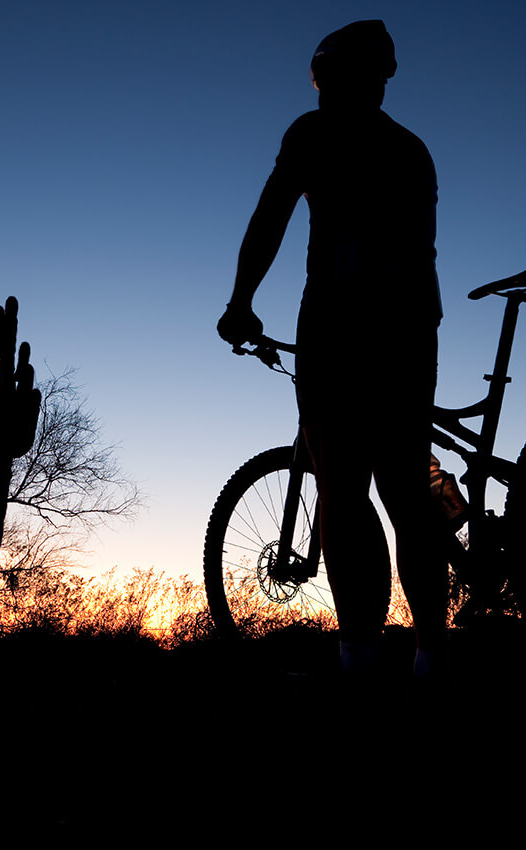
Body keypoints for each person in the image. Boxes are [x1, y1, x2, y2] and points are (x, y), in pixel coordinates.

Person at [217, 20, 448, 678]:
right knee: (407, 488)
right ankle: (433, 654)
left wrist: (241, 302)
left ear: (340, 78)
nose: (323, 94)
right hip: (409, 330)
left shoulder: (314, 133)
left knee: (344, 493)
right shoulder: (412, 149)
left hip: (341, 324)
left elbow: (271, 216)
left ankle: (361, 657)